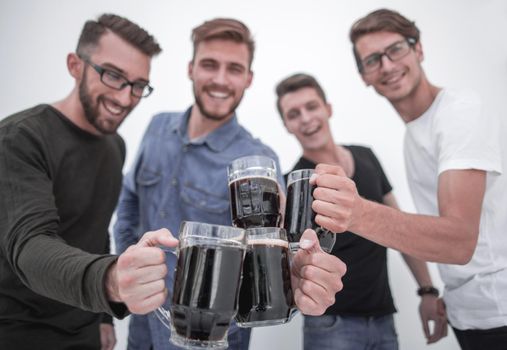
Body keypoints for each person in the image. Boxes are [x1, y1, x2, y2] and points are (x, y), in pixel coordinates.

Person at [114, 18, 346, 350]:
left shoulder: (258, 160)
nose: (221, 80)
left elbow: (276, 262)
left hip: (212, 336)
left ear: (248, 78)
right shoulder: (157, 127)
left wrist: (302, 280)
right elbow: (129, 203)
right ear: (191, 68)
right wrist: (127, 270)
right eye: (210, 65)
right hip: (141, 324)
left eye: (234, 69)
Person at [310, 8, 507, 349]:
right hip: (467, 314)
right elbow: (430, 232)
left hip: (499, 314)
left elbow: (459, 241)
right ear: (364, 77)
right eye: (372, 60)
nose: (386, 65)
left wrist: (356, 213)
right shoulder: (413, 134)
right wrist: (433, 291)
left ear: (419, 49)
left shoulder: (458, 112)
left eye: (396, 49)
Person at [0, 13, 183, 350]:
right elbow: (29, 246)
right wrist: (111, 281)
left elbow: (96, 231)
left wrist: (102, 317)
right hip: (20, 332)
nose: (126, 98)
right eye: (113, 76)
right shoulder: (20, 138)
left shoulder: (115, 146)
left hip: (86, 328)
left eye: (138, 85)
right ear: (75, 65)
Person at [275, 73, 447, 349]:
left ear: (327, 109)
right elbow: (286, 264)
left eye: (311, 107)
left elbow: (400, 228)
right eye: (294, 114)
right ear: (286, 125)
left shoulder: (366, 156)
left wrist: (427, 290)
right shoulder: (290, 184)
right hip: (330, 325)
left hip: (383, 319)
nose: (305, 118)